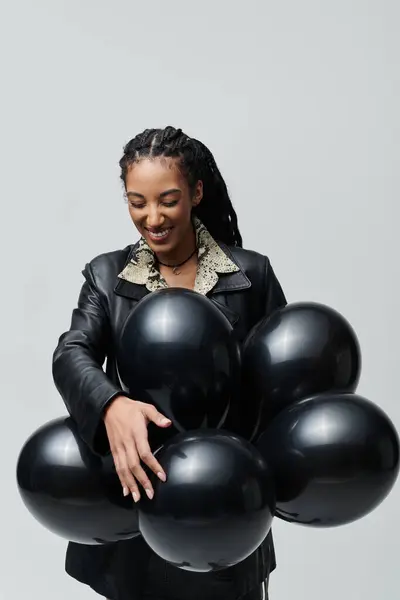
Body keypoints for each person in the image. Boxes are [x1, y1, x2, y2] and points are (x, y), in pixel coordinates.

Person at [52, 126, 287, 600]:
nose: (152, 217)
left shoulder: (251, 275)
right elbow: (71, 352)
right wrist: (111, 404)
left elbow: (279, 380)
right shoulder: (106, 275)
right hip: (135, 507)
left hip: (222, 511)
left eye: (168, 200)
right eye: (137, 202)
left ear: (197, 193)